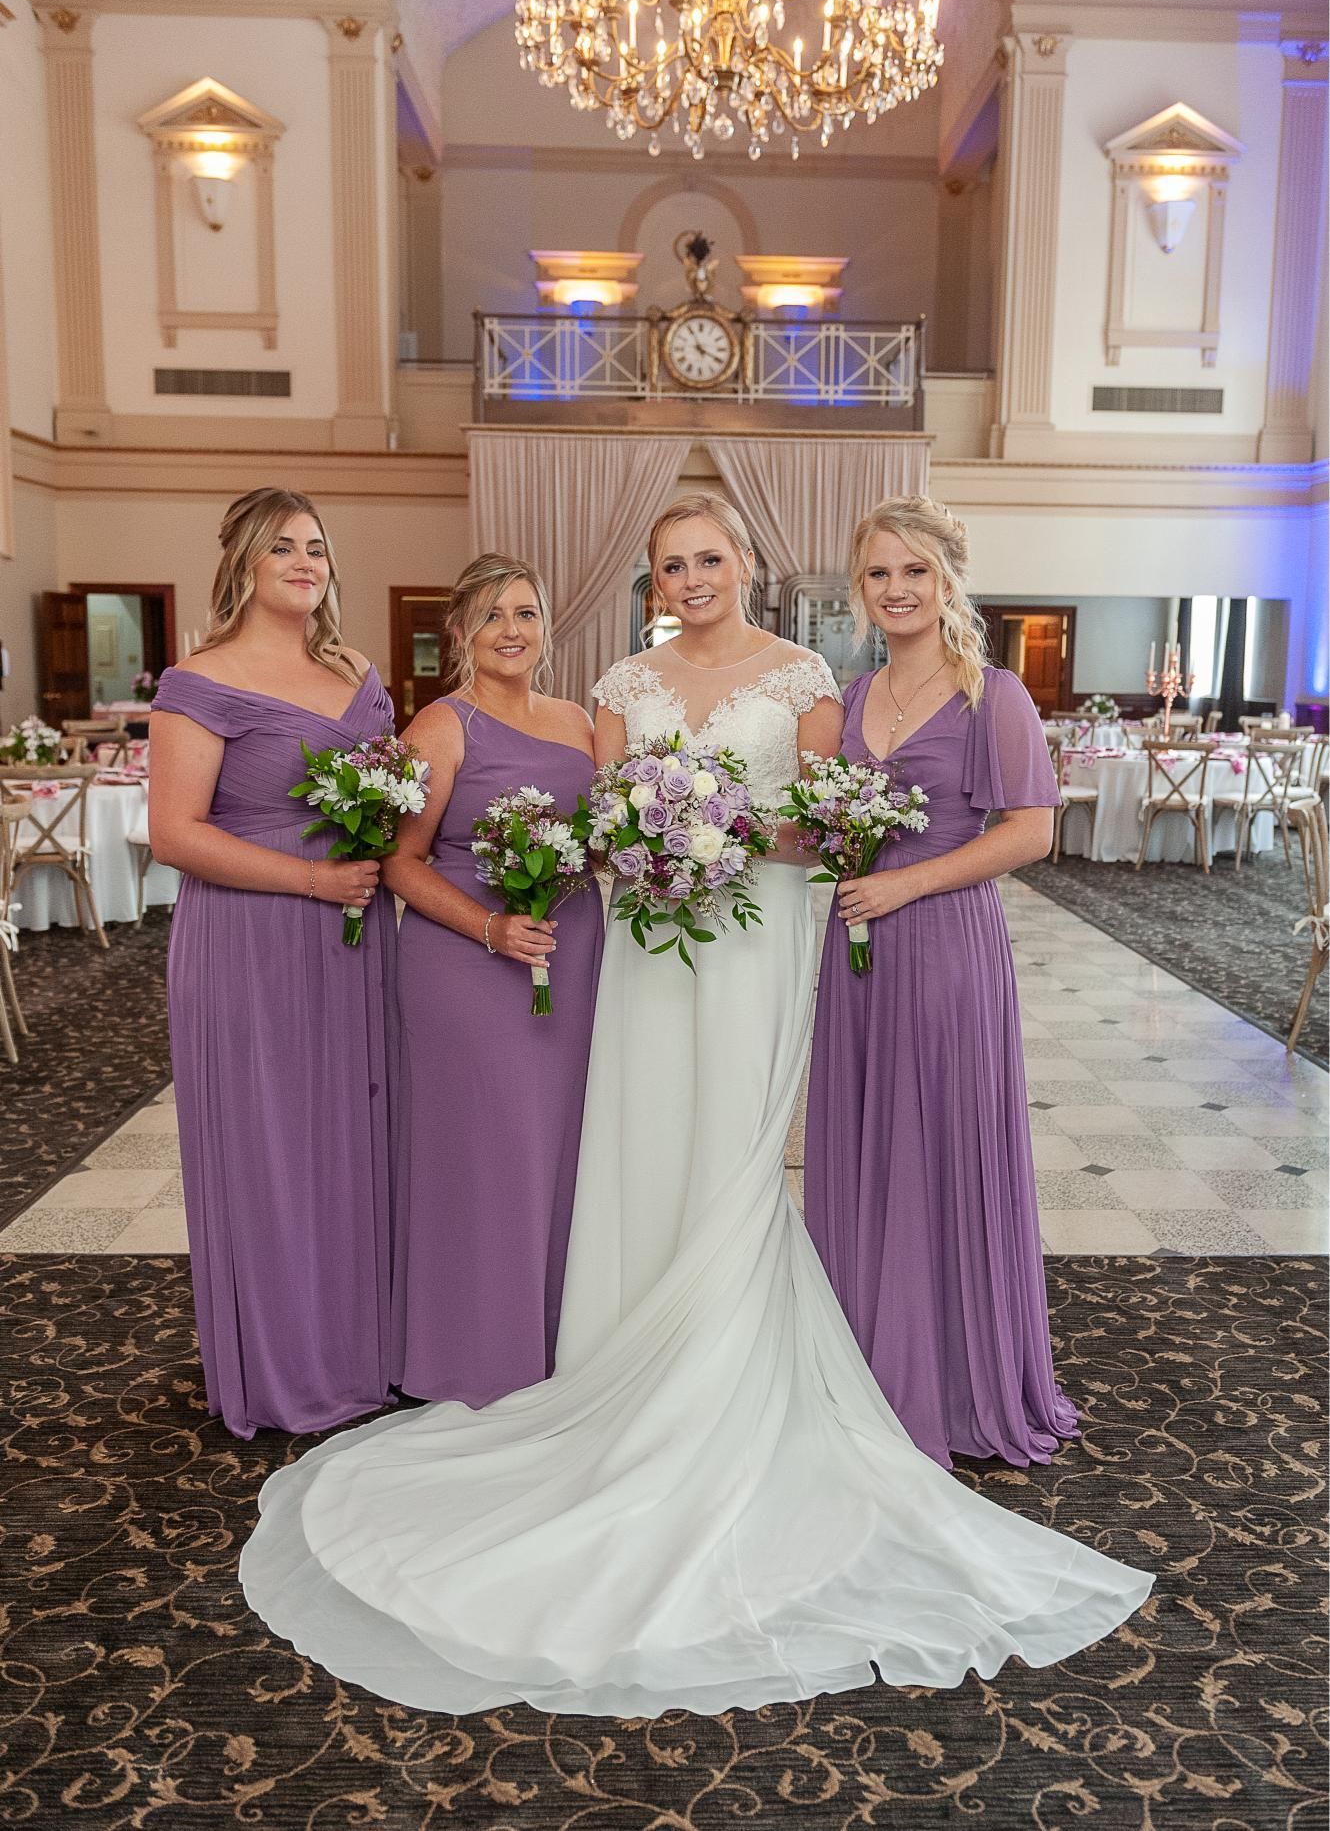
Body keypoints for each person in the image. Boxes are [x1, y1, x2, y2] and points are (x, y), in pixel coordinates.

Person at [240, 493, 1150, 1718]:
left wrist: (722, 831)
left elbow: (828, 829)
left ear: (747, 565)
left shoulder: (809, 678)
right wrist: (653, 842)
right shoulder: (622, 684)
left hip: (761, 936)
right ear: (655, 580)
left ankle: (738, 1352)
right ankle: (631, 1356)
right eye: (671, 564)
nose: (691, 576)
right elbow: (607, 836)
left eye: (709, 558)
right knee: (648, 1133)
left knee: (737, 1148)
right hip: (655, 942)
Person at [803, 495, 1077, 1469]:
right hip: (857, 953)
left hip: (947, 947)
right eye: (878, 573)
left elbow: (1030, 831)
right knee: (872, 1147)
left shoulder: (989, 695)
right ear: (859, 588)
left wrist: (900, 883)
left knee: (940, 1147)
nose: (896, 589)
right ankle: (869, 1368)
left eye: (913, 570)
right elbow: (821, 822)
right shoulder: (850, 695)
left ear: (948, 578)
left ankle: (954, 1381)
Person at [149, 487, 394, 1439]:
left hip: (354, 938)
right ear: (245, 562)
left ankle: (360, 1353)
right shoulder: (199, 680)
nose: (306, 561)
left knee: (354, 1133)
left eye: (318, 547)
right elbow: (173, 833)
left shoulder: (356, 673)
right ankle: (285, 1366)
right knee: (270, 1145)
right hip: (250, 937)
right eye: (284, 546)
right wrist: (306, 881)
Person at [384, 554, 604, 1405]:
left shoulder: (579, 719)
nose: (512, 631)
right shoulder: (440, 728)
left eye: (526, 613)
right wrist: (491, 926)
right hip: (467, 966)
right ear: (461, 635)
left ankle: (554, 1341)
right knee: (487, 1155)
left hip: (571, 954)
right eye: (492, 616)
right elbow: (399, 863)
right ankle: (475, 1354)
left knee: (557, 1153)